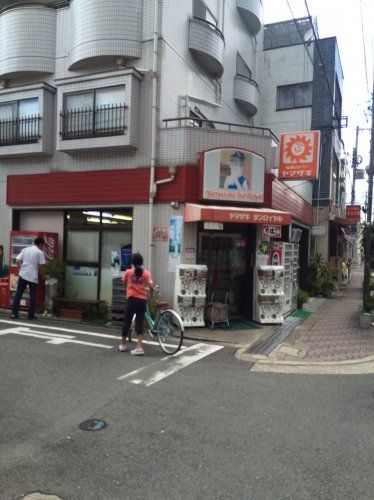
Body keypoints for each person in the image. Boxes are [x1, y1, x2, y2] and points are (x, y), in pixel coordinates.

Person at [119, 253, 154, 356]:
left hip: (131, 300)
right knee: (139, 323)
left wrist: (130, 285)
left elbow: (124, 283)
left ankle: (123, 345)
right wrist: (151, 294)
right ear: (142, 262)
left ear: (132, 263)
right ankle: (139, 348)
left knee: (127, 321)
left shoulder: (128, 272)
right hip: (141, 301)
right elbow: (151, 285)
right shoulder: (146, 273)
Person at [11, 237, 46, 320]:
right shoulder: (40, 252)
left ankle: (14, 313)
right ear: (41, 244)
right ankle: (30, 315)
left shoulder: (25, 249)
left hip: (23, 274)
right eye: (43, 245)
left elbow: (17, 261)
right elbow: (41, 267)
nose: (43, 247)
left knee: (18, 294)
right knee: (32, 295)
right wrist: (44, 276)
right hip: (33, 276)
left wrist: (21, 268)